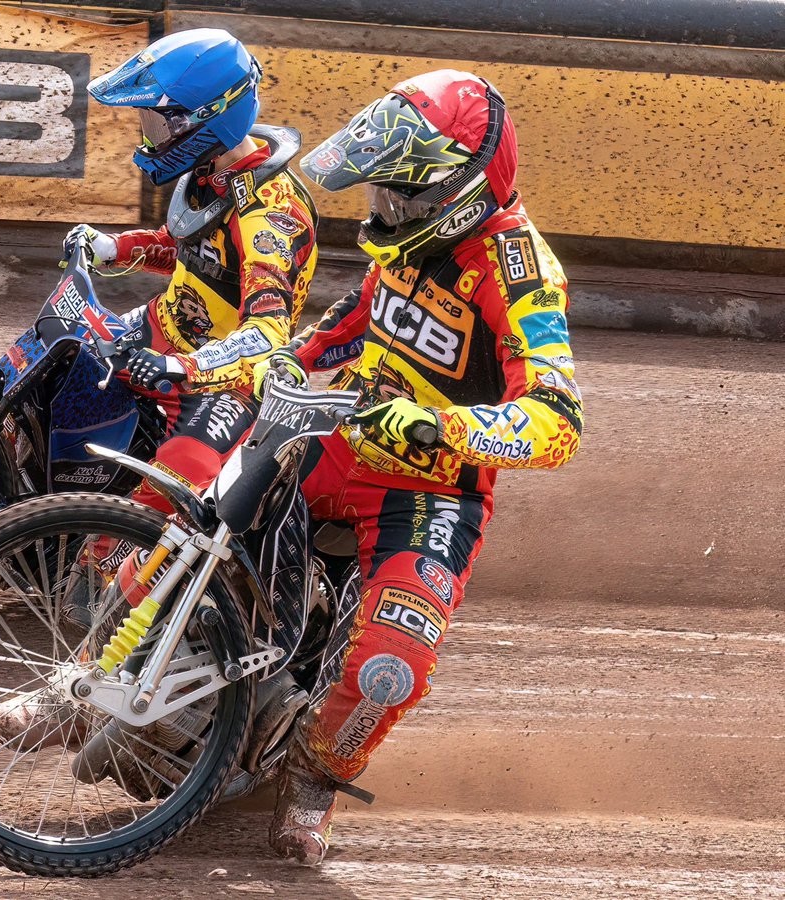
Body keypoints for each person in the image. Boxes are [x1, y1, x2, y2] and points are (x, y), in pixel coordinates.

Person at [253, 69, 584, 865]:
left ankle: (310, 780)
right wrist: (287, 359)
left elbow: (558, 423)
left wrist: (436, 425)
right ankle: (87, 679)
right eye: (381, 193)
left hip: (433, 492)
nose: (383, 209)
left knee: (388, 672)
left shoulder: (519, 273)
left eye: (399, 197)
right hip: (340, 440)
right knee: (203, 498)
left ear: (457, 189)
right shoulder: (410, 241)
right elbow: (356, 315)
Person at [0, 28, 317, 743]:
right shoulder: (210, 172)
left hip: (229, 384)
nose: (148, 130)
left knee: (150, 528)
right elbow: (189, 248)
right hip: (166, 330)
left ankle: (72, 687)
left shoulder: (272, 212)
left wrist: (185, 369)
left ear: (209, 117)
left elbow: (266, 333)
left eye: (160, 118)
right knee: (50, 373)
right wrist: (115, 248)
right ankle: (27, 538)